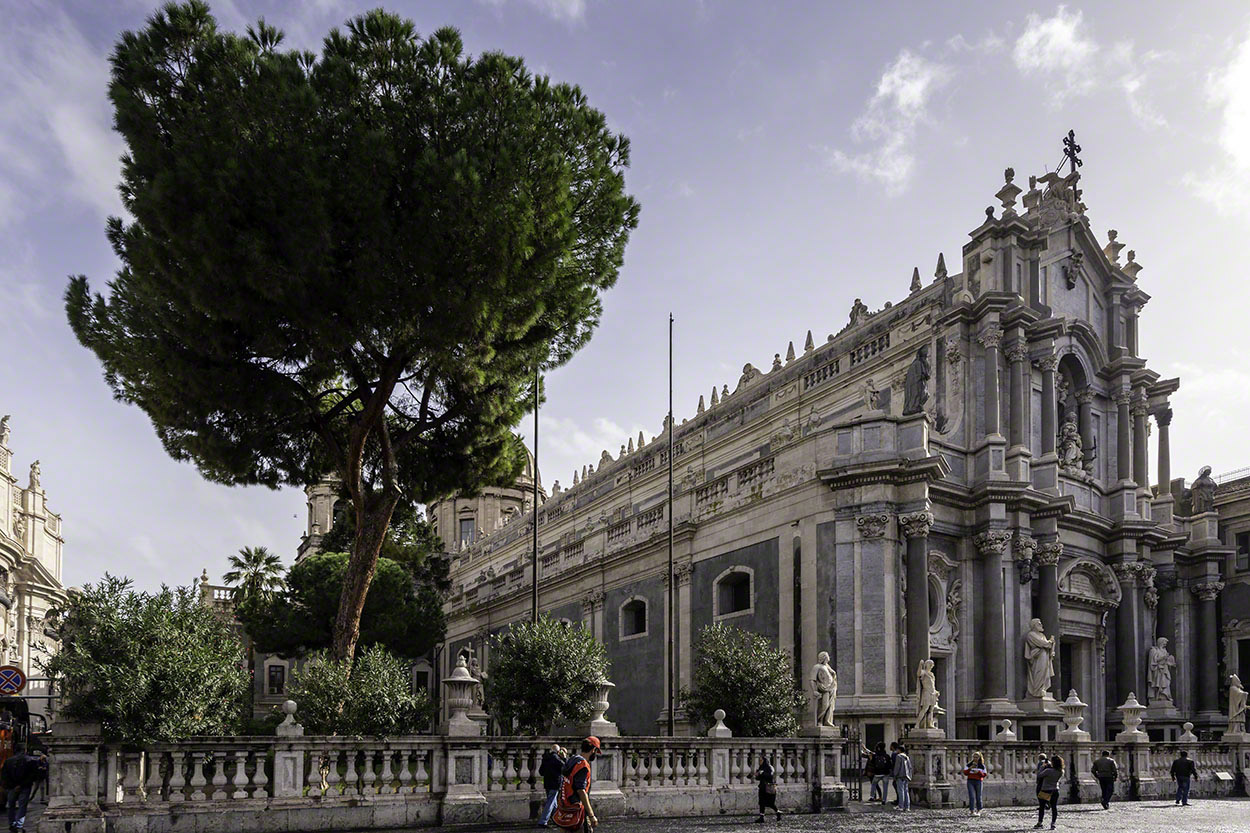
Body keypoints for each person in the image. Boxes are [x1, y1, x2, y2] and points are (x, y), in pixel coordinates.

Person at [552, 737, 601, 832]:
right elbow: (581, 791)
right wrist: (591, 815)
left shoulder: (572, 760)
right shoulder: (583, 766)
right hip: (577, 809)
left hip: (565, 806)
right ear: (593, 750)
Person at [1, 743, 47, 832]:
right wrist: (21, 785)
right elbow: (32, 775)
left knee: (11, 806)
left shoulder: (8, 761)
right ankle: (19, 824)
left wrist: (11, 785)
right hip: (24, 786)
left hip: (12, 787)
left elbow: (4, 775)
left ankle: (12, 823)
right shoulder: (29, 761)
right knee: (22, 806)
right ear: (24, 750)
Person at [538, 743, 564, 828]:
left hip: (547, 782)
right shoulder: (557, 759)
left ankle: (557, 819)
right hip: (555, 783)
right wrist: (564, 758)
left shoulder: (545, 758)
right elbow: (566, 767)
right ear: (558, 751)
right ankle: (543, 821)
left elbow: (541, 772)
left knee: (553, 802)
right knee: (550, 802)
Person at [1034, 754, 1063, 830]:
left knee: (1042, 807)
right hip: (1055, 790)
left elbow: (1039, 775)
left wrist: (1043, 766)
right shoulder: (1061, 771)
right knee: (1054, 807)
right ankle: (1053, 823)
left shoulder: (1048, 771)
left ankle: (1040, 822)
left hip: (1045, 790)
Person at [755, 754, 780, 822]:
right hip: (762, 787)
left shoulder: (769, 767)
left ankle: (778, 812)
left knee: (770, 803)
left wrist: (762, 773)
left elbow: (770, 776)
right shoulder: (761, 767)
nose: (759, 762)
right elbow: (758, 778)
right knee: (761, 802)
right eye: (759, 760)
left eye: (760, 760)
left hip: (768, 787)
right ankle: (761, 817)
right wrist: (757, 774)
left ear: (764, 760)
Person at [962, 751, 987, 816]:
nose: (975, 758)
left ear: (979, 758)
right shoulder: (969, 764)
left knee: (978, 796)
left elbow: (984, 774)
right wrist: (970, 768)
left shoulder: (982, 765)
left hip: (978, 781)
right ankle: (972, 811)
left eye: (977, 757)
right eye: (974, 757)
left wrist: (978, 772)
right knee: (972, 796)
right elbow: (965, 773)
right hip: (970, 781)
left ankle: (979, 810)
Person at [891, 744, 912, 811]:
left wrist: (895, 775)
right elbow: (910, 767)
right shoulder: (907, 757)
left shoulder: (899, 756)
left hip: (900, 776)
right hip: (906, 776)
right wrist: (910, 776)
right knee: (906, 791)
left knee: (900, 791)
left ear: (899, 750)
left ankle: (901, 806)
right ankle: (907, 806)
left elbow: (897, 767)